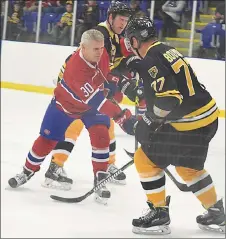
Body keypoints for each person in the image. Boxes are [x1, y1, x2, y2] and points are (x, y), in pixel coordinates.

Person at [8, 29, 137, 205]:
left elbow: (107, 75)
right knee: (47, 140)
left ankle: (100, 179)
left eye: (101, 48)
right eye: (95, 49)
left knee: (101, 135)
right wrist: (123, 118)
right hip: (66, 106)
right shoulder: (76, 68)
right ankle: (27, 171)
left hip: (91, 106)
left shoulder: (102, 52)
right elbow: (99, 101)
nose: (100, 53)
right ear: (82, 48)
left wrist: (120, 83)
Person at [124, 17, 225, 234]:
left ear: (134, 40)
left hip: (189, 124)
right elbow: (171, 83)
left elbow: (169, 99)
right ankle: (217, 213)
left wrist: (150, 122)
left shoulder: (151, 58)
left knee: (144, 160)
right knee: (188, 167)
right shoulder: (165, 50)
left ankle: (158, 214)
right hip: (207, 118)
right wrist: (142, 76)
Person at [42, 1, 144, 190]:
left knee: (106, 124)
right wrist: (124, 84)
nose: (124, 23)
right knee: (75, 124)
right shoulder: (102, 36)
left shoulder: (115, 36)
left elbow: (116, 64)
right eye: (121, 19)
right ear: (111, 17)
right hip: (77, 85)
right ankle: (55, 167)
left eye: (126, 20)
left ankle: (106, 165)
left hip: (92, 84)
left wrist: (132, 70)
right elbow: (103, 70)